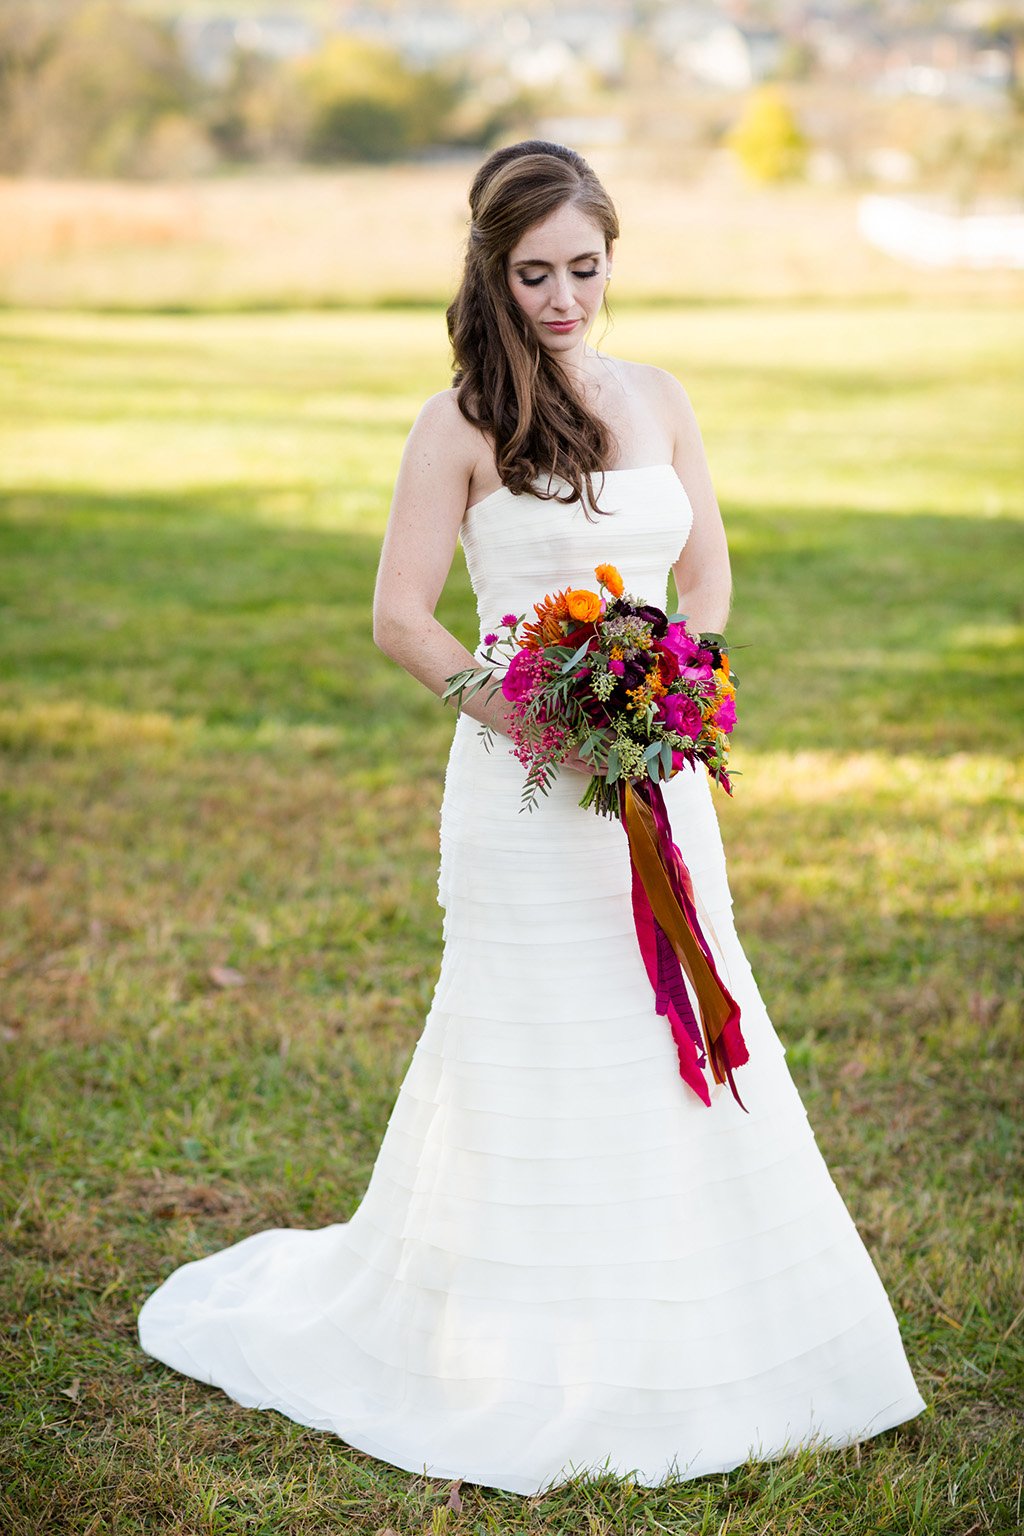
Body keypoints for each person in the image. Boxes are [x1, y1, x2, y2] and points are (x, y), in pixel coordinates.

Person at [137, 140, 928, 1495]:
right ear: (493, 276)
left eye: (585, 268)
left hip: (659, 779)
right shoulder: (458, 424)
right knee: (547, 1036)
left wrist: (680, 680)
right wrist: (527, 714)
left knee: (677, 1012)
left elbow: (710, 569)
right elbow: (398, 617)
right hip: (525, 791)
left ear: (614, 257)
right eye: (534, 274)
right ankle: (526, 1347)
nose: (564, 297)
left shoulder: (663, 396)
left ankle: (702, 1323)